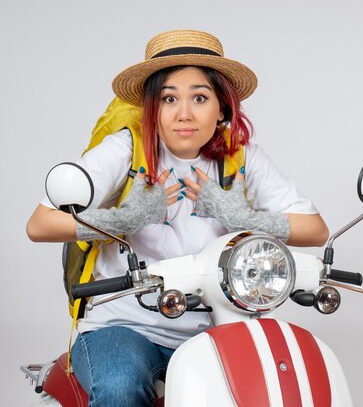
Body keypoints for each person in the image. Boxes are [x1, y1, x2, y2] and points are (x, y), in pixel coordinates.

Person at [26, 29, 329, 406]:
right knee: (120, 387)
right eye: (169, 98)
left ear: (222, 107)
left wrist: (241, 215)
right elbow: (40, 225)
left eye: (199, 97)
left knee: (269, 384)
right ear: (152, 107)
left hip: (216, 326)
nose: (184, 113)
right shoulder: (127, 148)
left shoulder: (241, 156)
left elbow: (315, 230)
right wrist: (125, 219)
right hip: (123, 326)